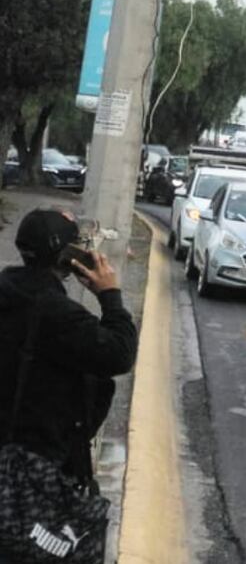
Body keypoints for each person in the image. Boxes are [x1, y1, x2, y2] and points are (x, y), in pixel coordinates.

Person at [0, 210, 137, 545]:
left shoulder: (9, 292)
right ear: (67, 258)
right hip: (33, 467)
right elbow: (118, 353)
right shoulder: (56, 315)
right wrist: (109, 296)